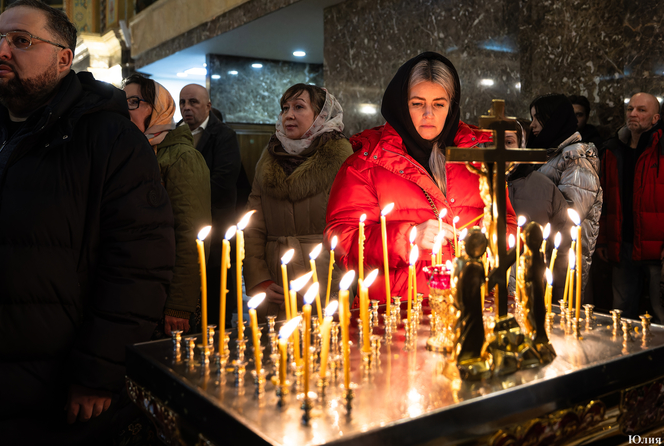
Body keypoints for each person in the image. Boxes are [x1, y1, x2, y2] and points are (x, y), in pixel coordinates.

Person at [0, 0, 174, 443]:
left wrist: (99, 369)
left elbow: (138, 263)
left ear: (63, 59)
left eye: (21, 40)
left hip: (46, 383)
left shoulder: (109, 137)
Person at [325, 52, 517, 302]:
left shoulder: (478, 158)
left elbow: (509, 225)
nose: (429, 114)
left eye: (439, 104)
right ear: (401, 105)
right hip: (400, 313)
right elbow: (342, 243)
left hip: (471, 304)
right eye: (417, 103)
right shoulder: (365, 164)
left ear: (452, 105)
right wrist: (408, 238)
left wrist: (488, 240)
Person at [243, 84, 353, 319]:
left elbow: (352, 228)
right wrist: (259, 278)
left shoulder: (342, 160)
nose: (289, 115)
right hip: (277, 278)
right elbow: (253, 226)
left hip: (326, 277)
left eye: (299, 107)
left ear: (321, 116)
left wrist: (342, 279)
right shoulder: (268, 160)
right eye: (285, 108)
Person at [596, 92, 664, 327]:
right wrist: (603, 239)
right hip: (622, 247)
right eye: (630, 109)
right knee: (620, 314)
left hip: (660, 250)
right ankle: (626, 360)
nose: (633, 113)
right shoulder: (613, 150)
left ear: (655, 118)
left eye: (641, 110)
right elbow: (604, 201)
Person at [126, 76, 212, 337]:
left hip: (166, 296)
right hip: (136, 288)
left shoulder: (181, 156)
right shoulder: (135, 150)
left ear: (158, 107)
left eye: (133, 102)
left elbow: (191, 235)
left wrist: (179, 305)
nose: (124, 109)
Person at [508, 94, 602, 302]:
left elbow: (570, 214)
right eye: (530, 118)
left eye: (537, 118)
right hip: (544, 250)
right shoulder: (548, 153)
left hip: (562, 255)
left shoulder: (576, 159)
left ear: (554, 119)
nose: (532, 125)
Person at [179, 83, 241, 326]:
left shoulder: (224, 135)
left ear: (208, 106)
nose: (186, 108)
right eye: (182, 102)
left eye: (193, 102)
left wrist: (184, 198)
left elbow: (223, 182)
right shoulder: (176, 133)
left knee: (215, 301)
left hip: (216, 229)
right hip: (185, 231)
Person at [503, 120, 568, 292]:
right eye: (492, 142)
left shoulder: (545, 188)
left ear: (522, 146)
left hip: (532, 286)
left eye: (509, 142)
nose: (501, 150)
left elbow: (562, 243)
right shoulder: (472, 186)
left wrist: (556, 288)